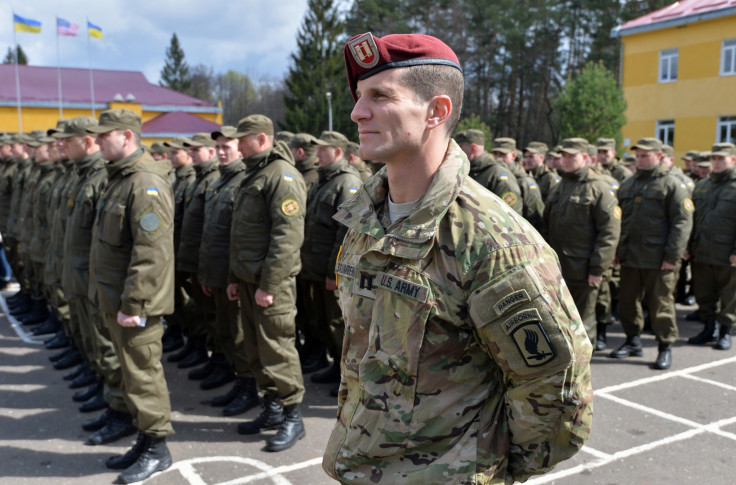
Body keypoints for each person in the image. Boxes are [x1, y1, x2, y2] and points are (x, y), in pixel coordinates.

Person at [322, 31, 592, 484]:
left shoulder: (493, 242)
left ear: (436, 111)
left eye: (380, 96)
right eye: (358, 96)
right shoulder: (366, 215)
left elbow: (557, 396)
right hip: (361, 465)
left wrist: (484, 474)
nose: (357, 112)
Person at [87, 109, 175, 484]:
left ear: (126, 135)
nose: (97, 142)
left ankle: (157, 447)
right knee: (130, 373)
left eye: (103, 135)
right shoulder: (121, 178)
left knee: (143, 375)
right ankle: (145, 438)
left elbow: (151, 252)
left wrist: (134, 305)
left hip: (135, 304)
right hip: (117, 299)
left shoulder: (144, 183)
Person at [226, 114, 307, 452]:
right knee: (256, 349)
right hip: (248, 281)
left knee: (277, 348)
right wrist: (234, 277)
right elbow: (241, 233)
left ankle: (293, 416)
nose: (237, 146)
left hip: (270, 286)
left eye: (242, 140)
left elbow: (287, 238)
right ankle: (272, 408)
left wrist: (269, 285)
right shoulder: (254, 175)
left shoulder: (283, 177)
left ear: (261, 139)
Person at [610, 137, 693, 370]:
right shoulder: (629, 184)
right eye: (638, 155)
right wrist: (618, 251)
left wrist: (672, 256)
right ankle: (632, 340)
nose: (640, 159)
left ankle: (664, 346)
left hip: (659, 259)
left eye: (645, 155)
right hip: (631, 257)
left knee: (660, 305)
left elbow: (682, 223)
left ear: (658, 156)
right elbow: (620, 223)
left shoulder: (672, 184)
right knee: (627, 302)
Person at [543, 138, 621, 346]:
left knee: (583, 323)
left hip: (584, 268)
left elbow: (609, 233)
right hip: (558, 267)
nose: (566, 160)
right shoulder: (561, 186)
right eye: (564, 156)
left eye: (572, 156)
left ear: (585, 158)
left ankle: (583, 369)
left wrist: (598, 268)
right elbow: (547, 226)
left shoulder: (599, 188)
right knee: (560, 318)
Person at [302, 131, 362, 397]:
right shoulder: (322, 180)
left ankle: (348, 378)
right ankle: (336, 365)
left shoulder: (347, 182)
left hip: (331, 268)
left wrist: (333, 271)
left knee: (338, 322)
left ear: (338, 152)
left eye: (323, 149)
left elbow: (346, 234)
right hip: (314, 263)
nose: (317, 154)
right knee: (323, 320)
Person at [686, 142, 736, 351]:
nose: (715, 162)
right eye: (713, 159)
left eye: (720, 159)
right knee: (704, 293)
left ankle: (725, 332)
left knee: (729, 295)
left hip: (726, 253)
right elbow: (691, 219)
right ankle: (709, 329)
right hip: (702, 251)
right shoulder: (702, 185)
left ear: (732, 160)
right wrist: (688, 246)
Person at [454, 129, 523, 213]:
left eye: (460, 147)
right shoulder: (466, 168)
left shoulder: (497, 173)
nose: (455, 151)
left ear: (473, 148)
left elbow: (511, 214)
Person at [492, 137, 545, 231]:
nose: (498, 158)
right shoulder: (494, 176)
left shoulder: (524, 181)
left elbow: (535, 216)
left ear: (513, 155)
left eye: (503, 154)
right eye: (495, 154)